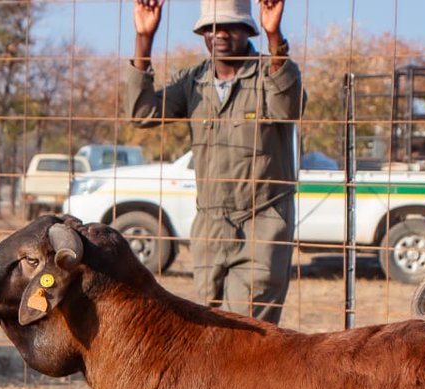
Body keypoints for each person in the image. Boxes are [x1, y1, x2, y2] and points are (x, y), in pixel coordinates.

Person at [126, 0, 304, 323]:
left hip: (261, 224)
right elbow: (142, 113)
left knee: (247, 334)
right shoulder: (194, 82)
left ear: (248, 29)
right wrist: (144, 39)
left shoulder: (270, 73)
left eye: (228, 26)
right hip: (210, 228)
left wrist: (275, 35)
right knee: (210, 332)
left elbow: (288, 108)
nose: (218, 34)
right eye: (210, 28)